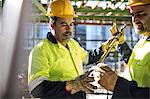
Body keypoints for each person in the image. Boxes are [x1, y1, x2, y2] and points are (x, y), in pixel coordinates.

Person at [28, 0, 109, 98]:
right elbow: (36, 88)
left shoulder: (72, 44)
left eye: (71, 24)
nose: (69, 29)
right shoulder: (41, 50)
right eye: (64, 24)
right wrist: (71, 84)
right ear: (52, 25)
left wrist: (104, 48)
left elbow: (88, 58)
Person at [109, 0, 150, 88]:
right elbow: (136, 63)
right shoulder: (143, 40)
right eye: (132, 15)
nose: (135, 20)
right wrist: (121, 44)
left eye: (141, 14)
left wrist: (116, 86)